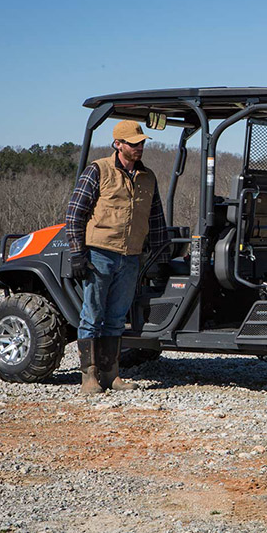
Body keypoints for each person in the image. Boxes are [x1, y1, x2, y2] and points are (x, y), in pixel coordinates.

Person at [65, 120, 170, 394]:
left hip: (131, 257)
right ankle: (89, 377)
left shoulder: (148, 177)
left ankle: (111, 375)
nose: (139, 147)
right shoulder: (98, 170)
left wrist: (161, 255)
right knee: (92, 316)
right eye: (134, 143)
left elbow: (156, 218)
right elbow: (75, 213)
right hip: (99, 255)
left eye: (142, 143)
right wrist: (78, 253)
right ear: (118, 144)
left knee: (116, 318)